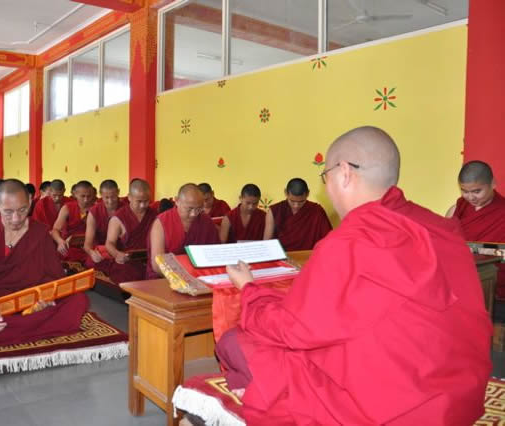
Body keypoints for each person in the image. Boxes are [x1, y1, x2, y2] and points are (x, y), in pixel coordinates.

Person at [215, 126, 491, 425]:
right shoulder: (445, 228)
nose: (328, 187)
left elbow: (292, 330)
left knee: (233, 342)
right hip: (461, 401)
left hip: (388, 412)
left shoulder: (351, 242)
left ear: (344, 172)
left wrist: (250, 290)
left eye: (326, 177)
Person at [0, 179, 88, 345]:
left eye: (22, 210)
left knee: (79, 300)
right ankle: (33, 322)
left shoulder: (40, 232)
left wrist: (49, 298)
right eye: (8, 212)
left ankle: (23, 321)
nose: (16, 218)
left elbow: (54, 276)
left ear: (29, 202)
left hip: (34, 294)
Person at [446, 160, 505, 298]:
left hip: (492, 287)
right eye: (464, 191)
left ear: (493, 184)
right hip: (459, 284)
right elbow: (446, 244)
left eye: (477, 191)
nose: (471, 197)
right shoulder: (457, 208)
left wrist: (468, 248)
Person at [147, 183, 220, 279]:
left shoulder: (206, 221)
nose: (194, 214)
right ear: (177, 201)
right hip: (166, 279)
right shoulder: (162, 222)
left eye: (199, 209)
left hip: (200, 278)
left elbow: (214, 255)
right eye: (189, 209)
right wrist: (182, 279)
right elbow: (157, 264)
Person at [105, 179, 157, 283]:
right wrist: (117, 254)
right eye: (139, 201)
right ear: (129, 197)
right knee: (126, 274)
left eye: (146, 201)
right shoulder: (119, 217)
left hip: (149, 259)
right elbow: (109, 243)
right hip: (127, 262)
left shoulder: (154, 215)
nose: (143, 205)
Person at [264, 177, 332, 250]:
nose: (296, 206)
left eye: (301, 202)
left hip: (308, 257)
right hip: (282, 258)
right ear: (286, 193)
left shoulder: (317, 211)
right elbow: (267, 243)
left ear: (308, 194)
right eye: (292, 201)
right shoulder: (274, 211)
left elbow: (328, 240)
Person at [83, 179, 123, 273]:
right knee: (91, 262)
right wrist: (92, 253)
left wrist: (118, 253)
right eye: (106, 197)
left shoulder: (126, 209)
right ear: (101, 194)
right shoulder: (94, 212)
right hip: (102, 252)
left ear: (118, 192)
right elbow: (87, 244)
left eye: (113, 197)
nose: (110, 201)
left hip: (120, 250)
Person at [50, 180, 94, 262]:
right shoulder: (67, 208)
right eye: (83, 196)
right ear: (75, 194)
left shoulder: (96, 208)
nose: (86, 200)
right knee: (65, 254)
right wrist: (60, 242)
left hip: (91, 245)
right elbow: (55, 229)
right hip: (71, 246)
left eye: (89, 196)